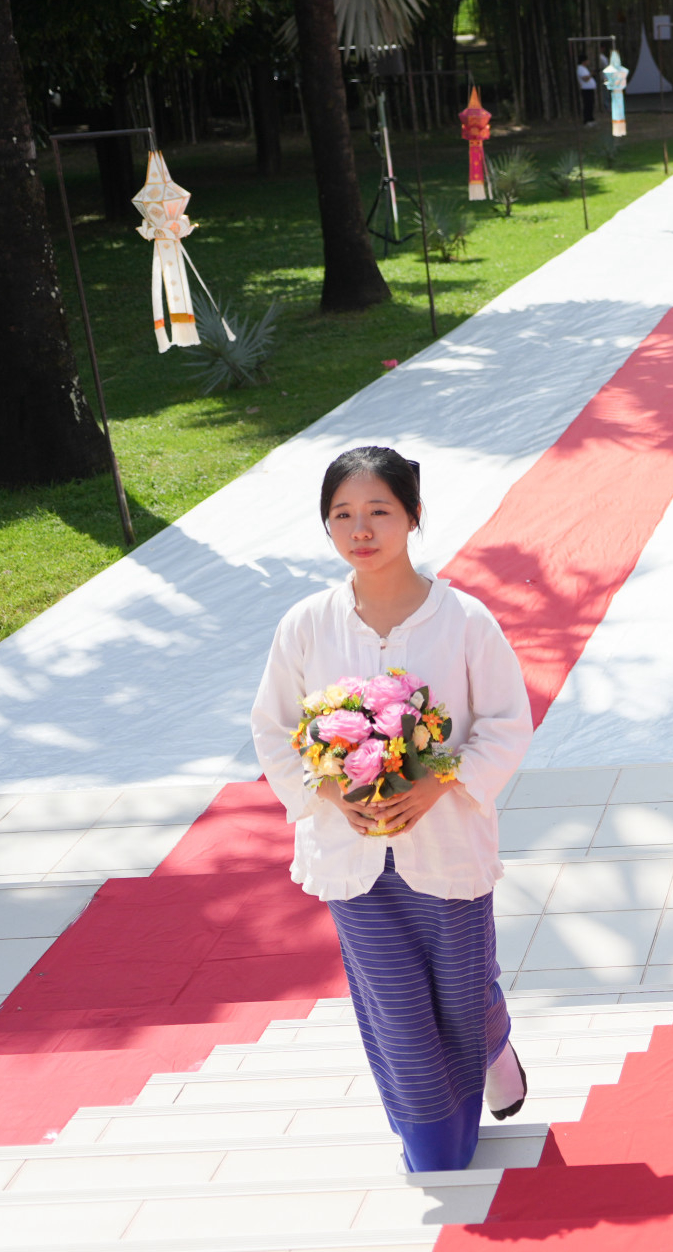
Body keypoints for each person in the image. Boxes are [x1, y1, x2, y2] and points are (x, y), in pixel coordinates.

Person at [249, 446, 532, 1173]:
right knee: (399, 1011)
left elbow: (506, 720)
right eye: (342, 515)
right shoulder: (306, 624)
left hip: (446, 846)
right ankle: (434, 1141)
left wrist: (442, 782)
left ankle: (491, 1039)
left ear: (412, 516)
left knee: (462, 997)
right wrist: (328, 792)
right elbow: (274, 727)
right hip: (352, 858)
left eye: (378, 511)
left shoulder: (464, 620)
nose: (360, 529)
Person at [574, 56, 597, 127]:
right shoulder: (580, 68)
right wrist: (591, 74)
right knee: (587, 105)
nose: (588, 62)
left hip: (589, 89)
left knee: (590, 104)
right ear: (583, 61)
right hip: (586, 89)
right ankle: (587, 120)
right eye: (587, 60)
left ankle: (591, 119)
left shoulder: (584, 68)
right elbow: (585, 79)